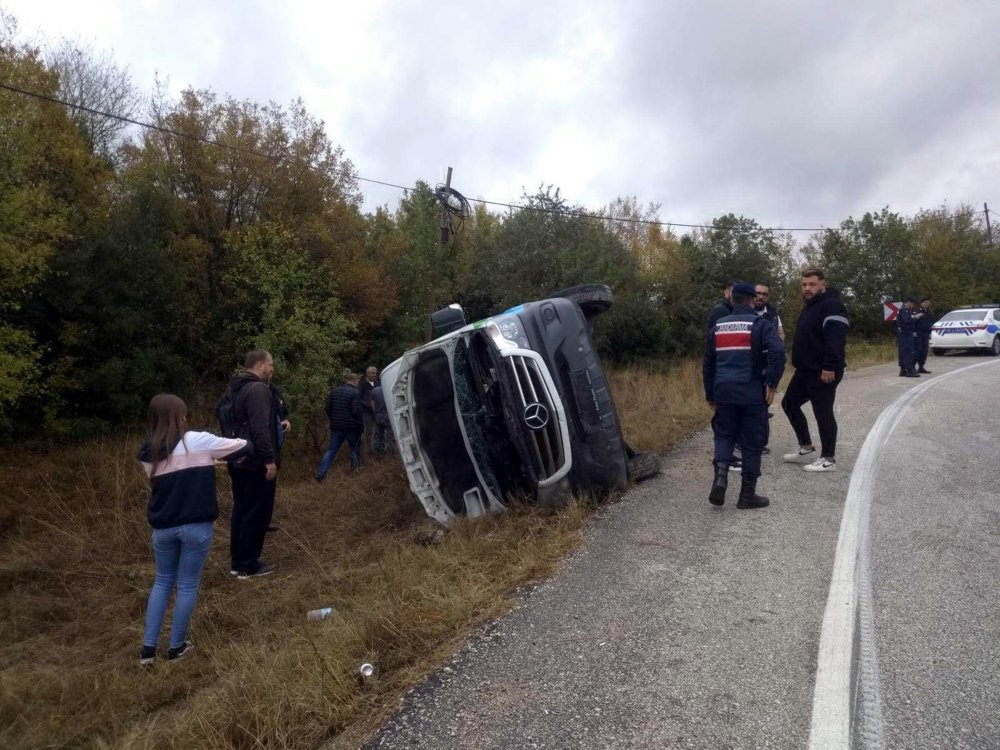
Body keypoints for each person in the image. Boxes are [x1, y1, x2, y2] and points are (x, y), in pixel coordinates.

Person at [138, 394, 248, 666]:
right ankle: (176, 648)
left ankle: (148, 651)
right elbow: (242, 445)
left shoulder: (147, 452)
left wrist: (207, 461)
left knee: (162, 581)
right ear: (180, 416)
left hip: (162, 528)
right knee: (187, 584)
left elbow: (174, 473)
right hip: (195, 526)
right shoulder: (198, 440)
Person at [704, 282, 785, 508]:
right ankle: (747, 496)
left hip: (723, 391)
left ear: (732, 299)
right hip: (751, 393)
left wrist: (710, 393)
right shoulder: (760, 324)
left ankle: (720, 479)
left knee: (724, 436)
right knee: (751, 442)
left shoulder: (718, 326)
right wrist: (772, 383)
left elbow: (708, 364)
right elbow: (778, 351)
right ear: (751, 300)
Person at [781, 269, 849, 472]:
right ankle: (806, 445)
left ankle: (828, 459)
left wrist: (829, 365)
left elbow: (836, 338)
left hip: (824, 371)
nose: (807, 288)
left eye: (812, 284)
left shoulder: (832, 305)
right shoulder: (810, 306)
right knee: (789, 404)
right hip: (804, 371)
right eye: (804, 285)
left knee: (823, 413)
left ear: (822, 284)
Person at [225, 349, 282, 579]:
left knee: (241, 510)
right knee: (256, 512)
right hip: (255, 462)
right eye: (270, 364)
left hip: (238, 458)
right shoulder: (258, 390)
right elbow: (260, 429)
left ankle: (237, 562)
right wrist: (269, 459)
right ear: (259, 365)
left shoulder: (235, 388)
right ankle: (249, 565)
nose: (271, 369)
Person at [316, 372, 364, 480]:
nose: (358, 383)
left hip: (336, 426)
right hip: (351, 427)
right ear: (354, 380)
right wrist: (360, 425)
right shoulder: (355, 392)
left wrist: (333, 418)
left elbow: (328, 408)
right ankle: (355, 471)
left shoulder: (334, 391)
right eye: (358, 381)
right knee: (354, 448)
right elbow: (356, 411)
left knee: (331, 450)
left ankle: (320, 474)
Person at [357, 366, 379, 458]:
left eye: (375, 373)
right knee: (369, 430)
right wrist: (366, 404)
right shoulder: (362, 384)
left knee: (379, 430)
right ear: (368, 374)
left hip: (378, 411)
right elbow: (358, 397)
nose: (375, 375)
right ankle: (370, 450)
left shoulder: (378, 383)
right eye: (373, 373)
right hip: (367, 412)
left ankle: (378, 448)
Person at [897, 297, 920, 378]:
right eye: (912, 304)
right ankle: (909, 370)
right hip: (905, 333)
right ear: (909, 303)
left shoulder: (907, 310)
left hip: (906, 333)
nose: (913, 306)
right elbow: (906, 320)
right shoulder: (904, 310)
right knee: (907, 351)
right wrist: (915, 317)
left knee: (904, 351)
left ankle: (903, 370)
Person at [371, 383, 394, 455]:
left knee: (379, 435)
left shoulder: (374, 390)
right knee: (391, 435)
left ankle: (379, 453)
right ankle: (391, 453)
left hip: (378, 415)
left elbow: (372, 404)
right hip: (389, 415)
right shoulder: (391, 388)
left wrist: (376, 413)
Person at [913, 297, 934, 374]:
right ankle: (913, 367)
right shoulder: (917, 310)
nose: (926, 304)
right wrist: (914, 331)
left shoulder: (928, 312)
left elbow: (929, 322)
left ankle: (921, 366)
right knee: (918, 350)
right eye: (925, 302)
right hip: (918, 333)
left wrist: (929, 332)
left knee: (924, 351)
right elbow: (913, 322)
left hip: (925, 333)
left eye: (928, 302)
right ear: (921, 303)